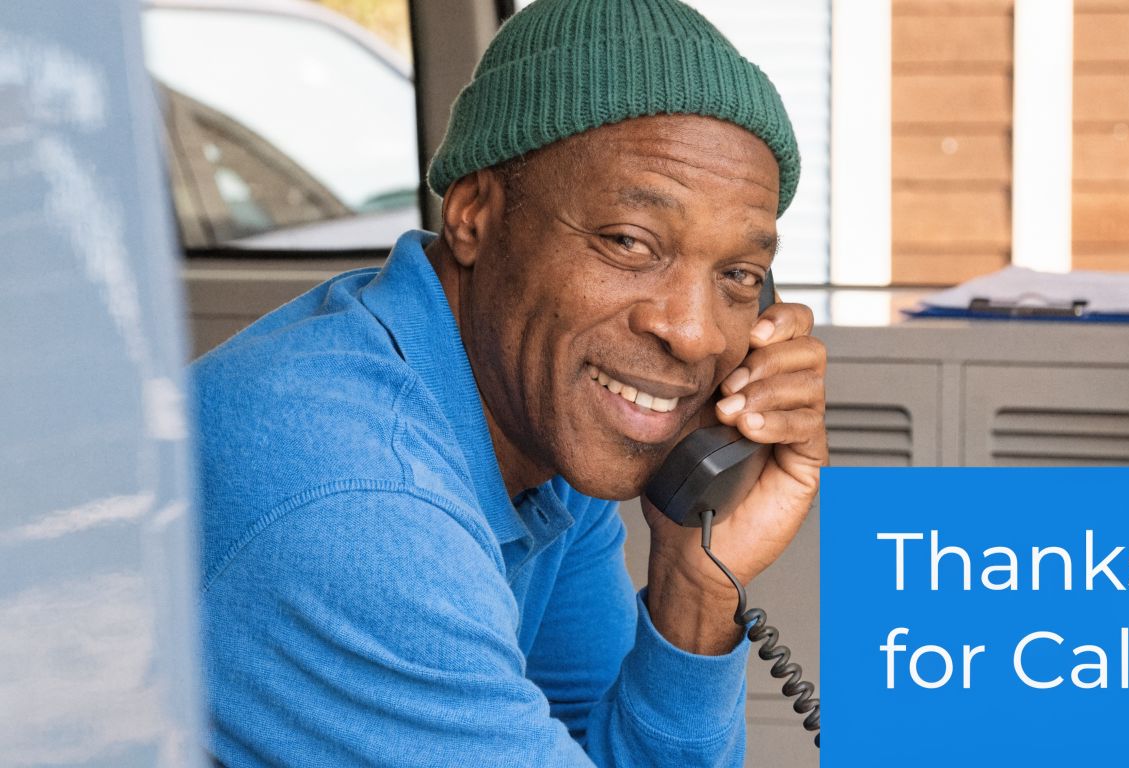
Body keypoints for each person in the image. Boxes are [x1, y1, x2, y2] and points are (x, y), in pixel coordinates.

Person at [192, 0, 827, 765]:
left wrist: (698, 585)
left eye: (737, 274)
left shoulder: (544, 438)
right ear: (473, 214)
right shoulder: (363, 509)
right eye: (629, 242)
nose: (692, 333)